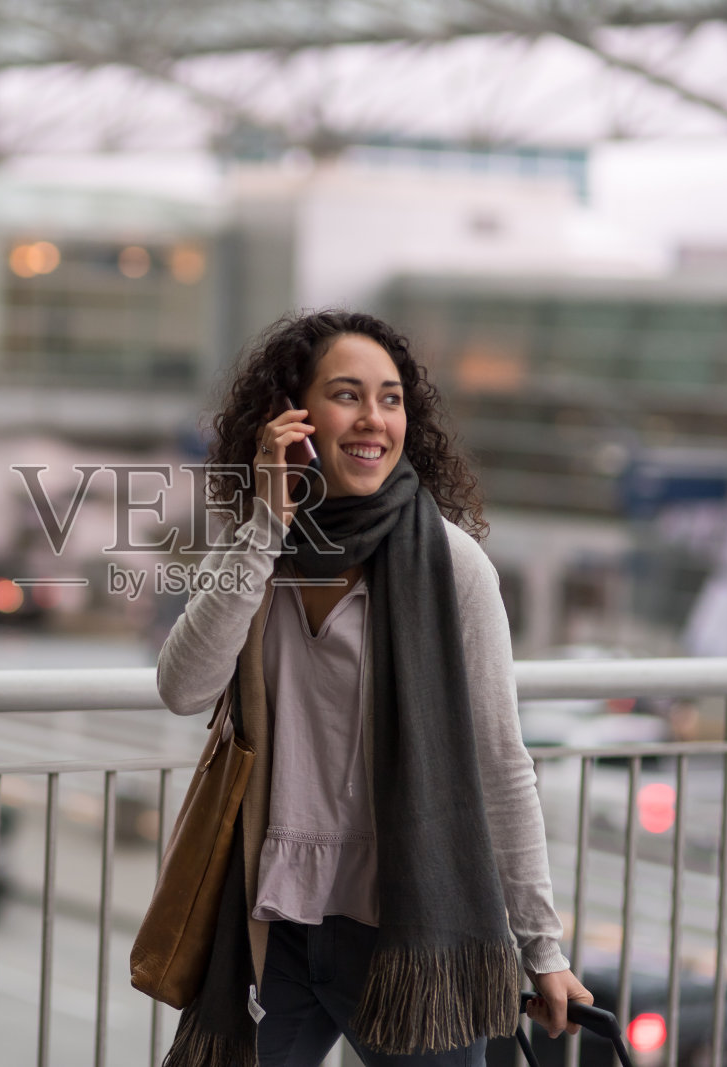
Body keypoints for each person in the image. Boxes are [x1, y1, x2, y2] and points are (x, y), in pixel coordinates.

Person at [154, 311, 591, 1067]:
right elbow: (183, 688)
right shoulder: (258, 553)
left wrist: (542, 946)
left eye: (390, 398)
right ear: (290, 418)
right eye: (347, 395)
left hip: (410, 936)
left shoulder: (453, 568)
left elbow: (500, 762)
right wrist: (264, 525)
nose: (373, 419)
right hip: (272, 921)